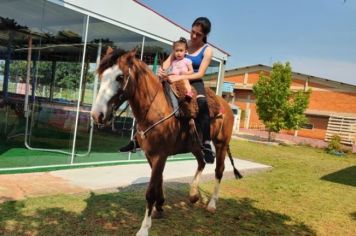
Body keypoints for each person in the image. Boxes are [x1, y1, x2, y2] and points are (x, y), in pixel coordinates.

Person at [120, 17, 216, 164]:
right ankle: (136, 139)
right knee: (150, 100)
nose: (194, 36)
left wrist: (178, 78)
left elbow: (200, 73)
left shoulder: (207, 50)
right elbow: (166, 63)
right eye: (193, 31)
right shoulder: (182, 45)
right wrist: (161, 71)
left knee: (202, 103)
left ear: (205, 35)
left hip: (193, 80)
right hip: (172, 77)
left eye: (198, 34)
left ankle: (207, 143)